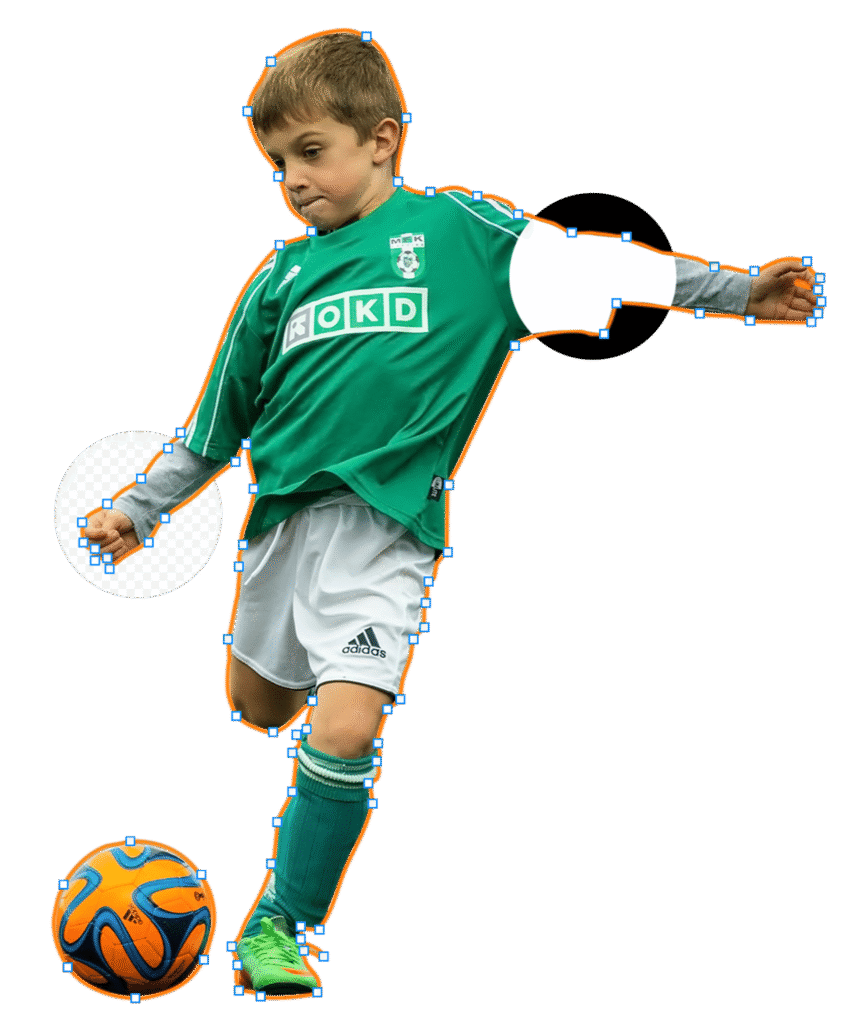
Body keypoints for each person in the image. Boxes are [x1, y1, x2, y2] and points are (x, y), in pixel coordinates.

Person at [82, 29, 820, 997]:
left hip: (388, 535)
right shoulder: (278, 283)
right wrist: (139, 509)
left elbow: (599, 265)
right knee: (257, 707)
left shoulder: (464, 236)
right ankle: (299, 718)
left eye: (311, 152)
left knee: (343, 732)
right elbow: (214, 427)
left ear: (382, 139)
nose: (292, 180)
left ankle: (281, 923)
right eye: (275, 164)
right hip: (280, 533)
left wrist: (737, 290)